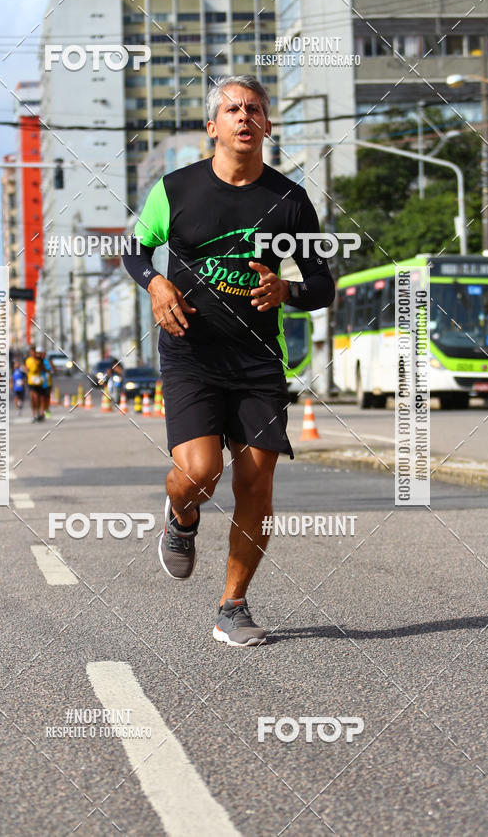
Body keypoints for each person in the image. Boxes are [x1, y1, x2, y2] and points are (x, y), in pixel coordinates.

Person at [122, 74, 335, 647]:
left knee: (256, 483)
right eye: (233, 109)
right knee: (199, 473)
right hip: (192, 352)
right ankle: (181, 517)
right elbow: (134, 250)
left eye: (256, 109)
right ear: (213, 126)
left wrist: (288, 291)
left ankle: (233, 605)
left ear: (267, 125)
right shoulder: (176, 189)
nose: (245, 117)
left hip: (259, 359)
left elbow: (322, 284)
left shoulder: (289, 201)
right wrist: (155, 284)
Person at [24, 346, 44, 421]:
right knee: (32, 398)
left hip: (38, 381)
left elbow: (43, 368)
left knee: (37, 398)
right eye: (31, 352)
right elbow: (25, 368)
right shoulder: (27, 360)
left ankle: (37, 413)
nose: (32, 354)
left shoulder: (39, 360)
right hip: (31, 381)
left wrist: (38, 364)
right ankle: (34, 414)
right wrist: (25, 370)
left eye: (33, 352)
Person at [39, 350, 53, 418]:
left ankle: (47, 410)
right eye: (42, 354)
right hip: (41, 382)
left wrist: (51, 363)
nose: (44, 355)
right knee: (42, 398)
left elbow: (52, 369)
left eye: (45, 354)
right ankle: (42, 411)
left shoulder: (47, 361)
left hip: (48, 382)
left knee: (47, 397)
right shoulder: (40, 362)